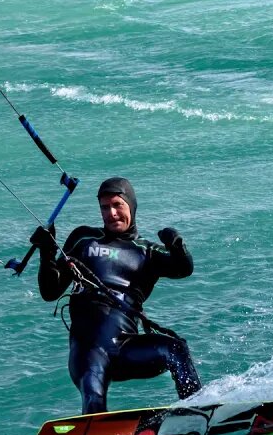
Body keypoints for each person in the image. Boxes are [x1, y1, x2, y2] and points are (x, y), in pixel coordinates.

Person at [31, 176, 202, 415]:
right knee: (93, 393)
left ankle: (198, 413)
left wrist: (177, 245)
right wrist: (47, 253)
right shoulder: (83, 239)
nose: (111, 213)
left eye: (117, 205)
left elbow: (184, 268)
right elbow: (50, 291)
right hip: (89, 351)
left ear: (130, 205)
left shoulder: (147, 252)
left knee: (176, 349)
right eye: (104, 207)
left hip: (125, 349)